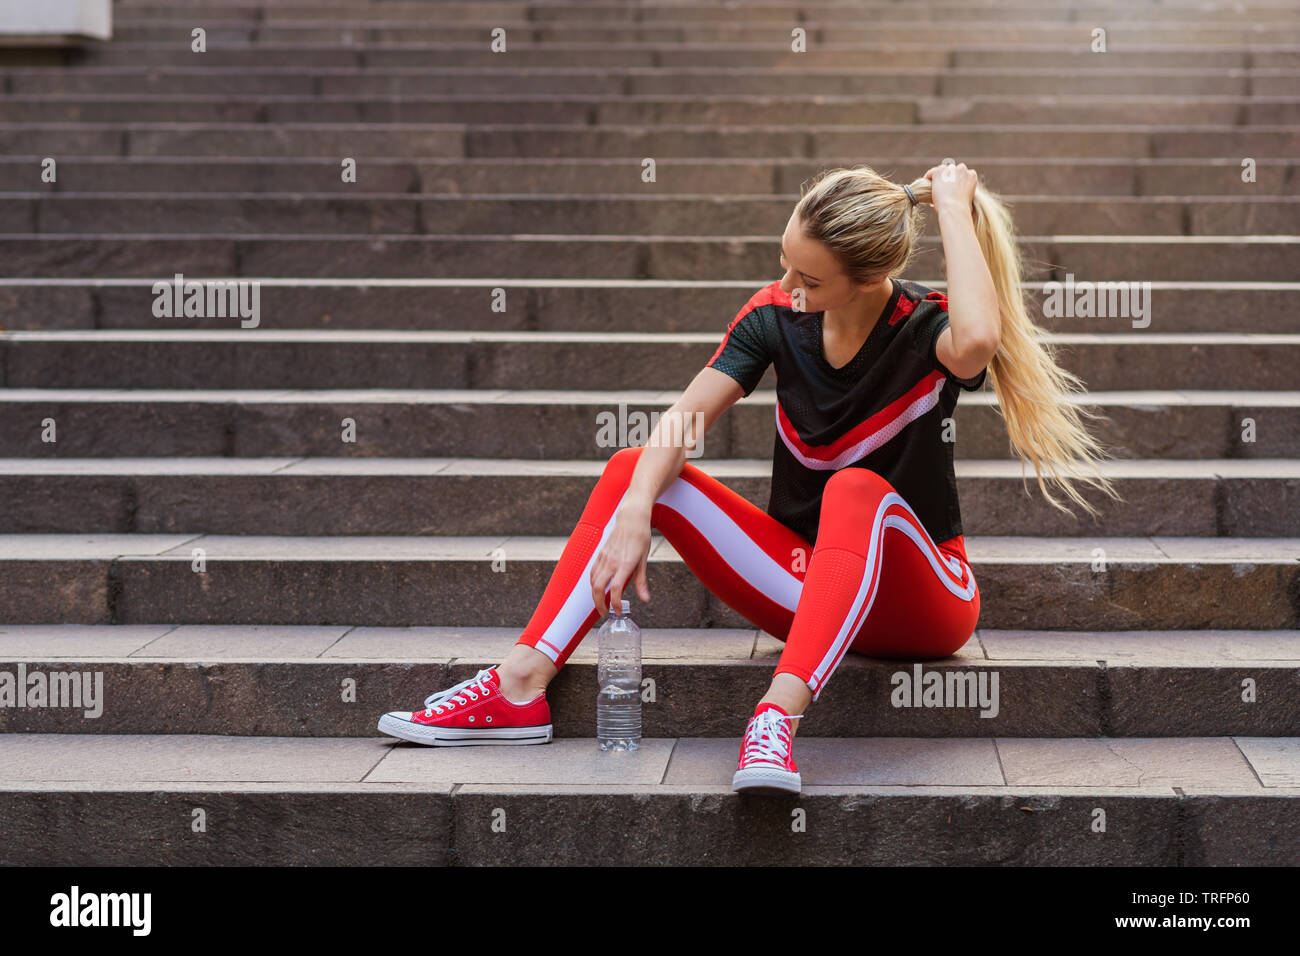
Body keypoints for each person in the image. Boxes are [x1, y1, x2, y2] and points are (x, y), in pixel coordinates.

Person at [377, 162, 1122, 794]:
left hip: (926, 606)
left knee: (853, 489)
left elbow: (980, 339)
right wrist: (638, 509)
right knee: (637, 467)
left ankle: (775, 719)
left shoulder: (929, 329)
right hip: (810, 588)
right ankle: (519, 686)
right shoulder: (775, 315)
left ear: (870, 278)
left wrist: (954, 206)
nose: (787, 283)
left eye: (810, 277)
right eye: (786, 262)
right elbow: (683, 418)